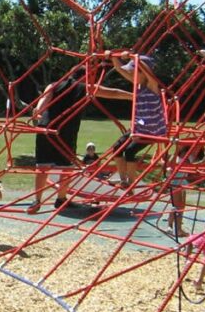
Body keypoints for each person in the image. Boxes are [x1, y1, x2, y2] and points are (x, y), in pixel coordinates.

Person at [27, 74, 132, 212]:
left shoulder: (53, 85)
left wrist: (38, 112)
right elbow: (113, 93)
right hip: (64, 131)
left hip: (46, 128)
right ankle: (61, 198)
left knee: (43, 166)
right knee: (67, 167)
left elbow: (41, 104)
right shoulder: (84, 87)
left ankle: (37, 200)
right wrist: (134, 96)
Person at [109, 53, 169, 188]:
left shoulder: (153, 86)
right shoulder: (138, 85)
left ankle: (131, 183)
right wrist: (112, 56)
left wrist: (136, 59)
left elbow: (148, 72)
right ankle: (123, 180)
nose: (131, 74)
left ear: (142, 72)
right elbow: (119, 69)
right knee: (117, 149)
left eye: (134, 71)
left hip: (152, 131)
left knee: (130, 151)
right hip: (139, 127)